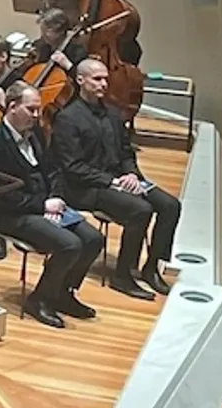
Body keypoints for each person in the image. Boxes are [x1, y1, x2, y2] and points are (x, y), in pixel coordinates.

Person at [0, 82, 106, 328]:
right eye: (31, 109)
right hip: (13, 214)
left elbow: (53, 170)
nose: (37, 115)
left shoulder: (37, 133)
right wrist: (43, 206)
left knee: (93, 239)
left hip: (46, 206)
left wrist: (57, 197)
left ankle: (63, 293)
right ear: (12, 107)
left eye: (38, 110)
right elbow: (2, 197)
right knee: (69, 245)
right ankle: (40, 299)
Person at [53, 58, 178, 299]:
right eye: (97, 79)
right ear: (80, 80)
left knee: (170, 205)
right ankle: (123, 276)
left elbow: (126, 151)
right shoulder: (67, 118)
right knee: (140, 210)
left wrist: (130, 173)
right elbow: (72, 167)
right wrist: (113, 182)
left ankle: (151, 268)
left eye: (105, 79)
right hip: (86, 186)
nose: (104, 84)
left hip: (120, 178)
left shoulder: (113, 113)